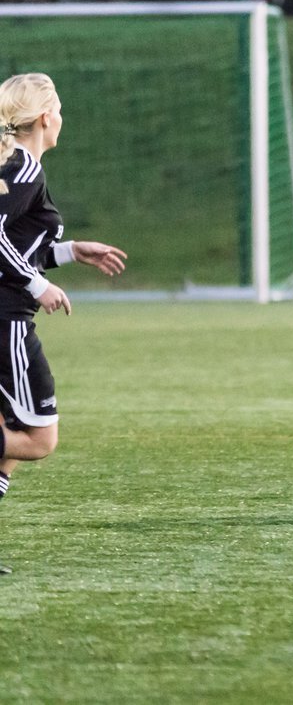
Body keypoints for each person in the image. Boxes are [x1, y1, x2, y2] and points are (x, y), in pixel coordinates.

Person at [0, 73, 129, 571]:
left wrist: (73, 251)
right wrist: (37, 285)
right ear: (47, 117)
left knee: (8, 438)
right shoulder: (23, 167)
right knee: (38, 438)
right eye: (61, 110)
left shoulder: (17, 164)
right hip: (6, 317)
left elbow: (19, 243)